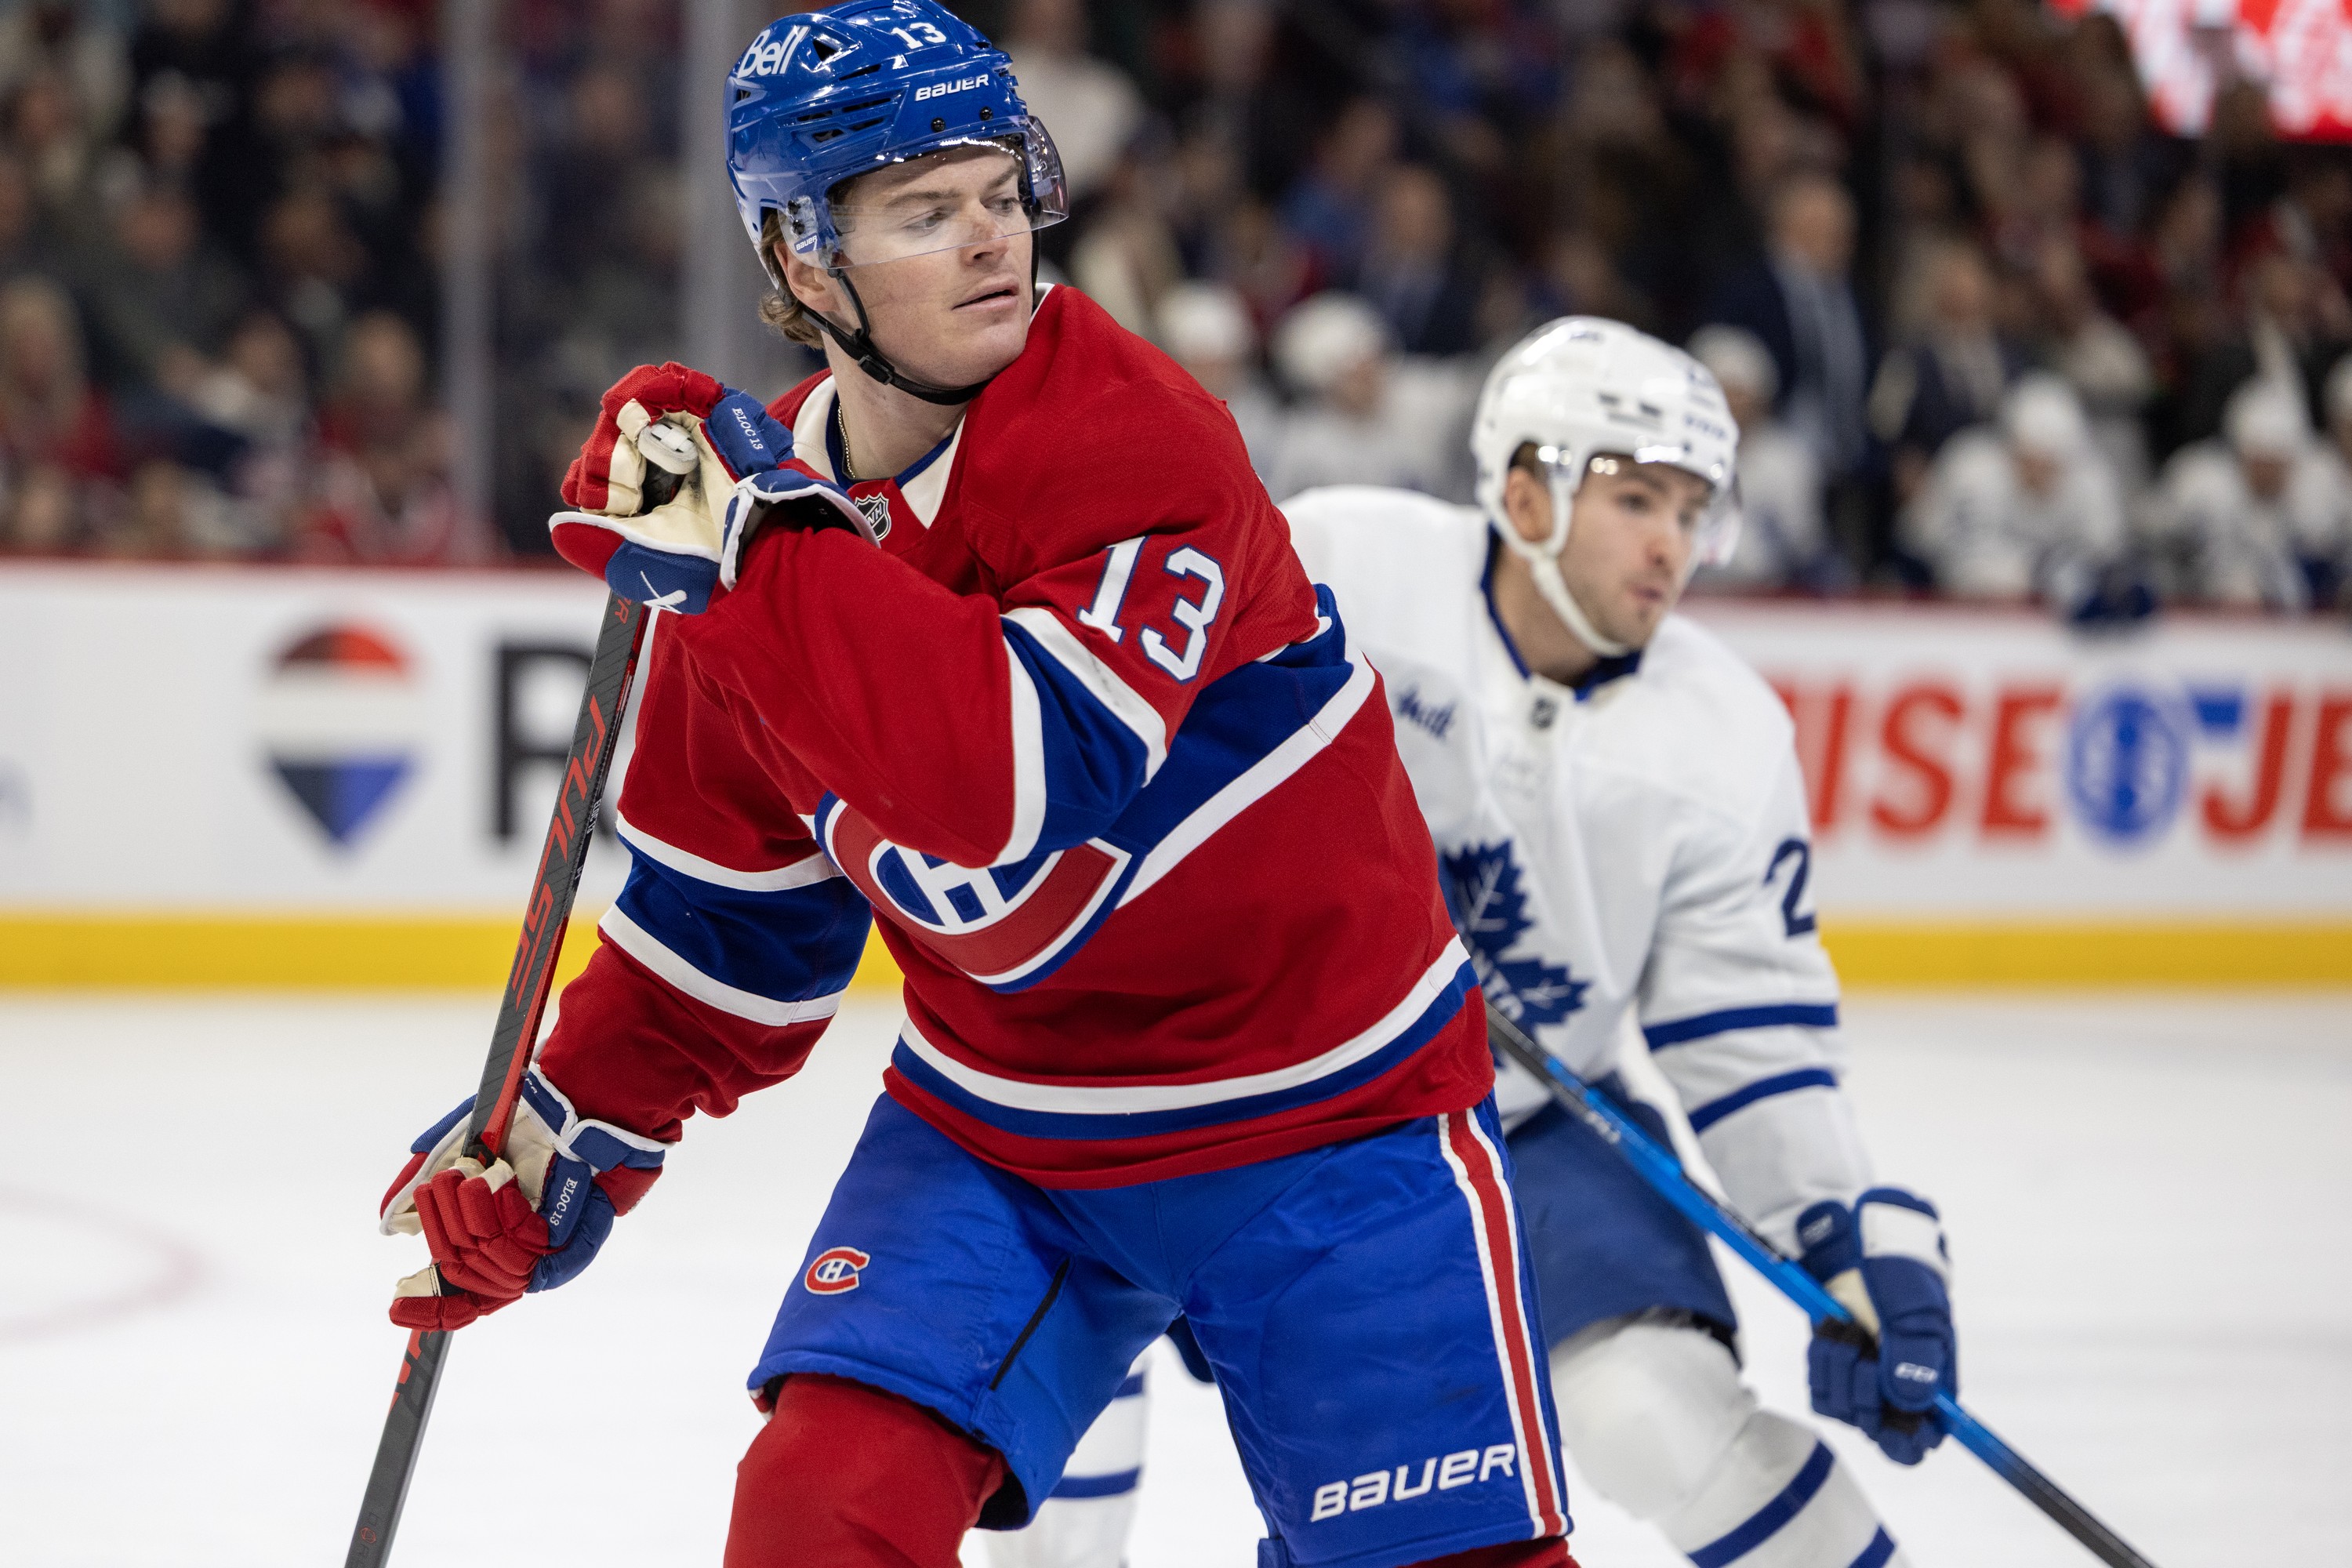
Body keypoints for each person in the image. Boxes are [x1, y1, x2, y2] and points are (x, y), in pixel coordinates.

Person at [375, 7, 1574, 1567]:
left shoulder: (1135, 436)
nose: (994, 240)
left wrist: (751, 550)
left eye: (1003, 194)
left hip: (1331, 1120)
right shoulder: (758, 532)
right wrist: (563, 1128)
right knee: (817, 1518)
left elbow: (1007, 787)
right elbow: (732, 932)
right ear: (802, 261)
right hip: (1007, 1139)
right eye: (926, 211)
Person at [1011, 319, 1960, 1568]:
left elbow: (1751, 1032)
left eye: (1693, 511)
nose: (1671, 545)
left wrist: (1842, 1231)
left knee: (1654, 1411)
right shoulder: (1339, 559)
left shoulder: (1726, 734)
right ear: (1525, 493)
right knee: (1056, 1344)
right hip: (1222, 1089)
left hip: (1518, 1124)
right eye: (1637, 500)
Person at [1897, 372, 2129, 610]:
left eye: (2052, 464)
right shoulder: (1973, 472)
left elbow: (2107, 553)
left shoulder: (2091, 481)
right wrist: (2040, 572)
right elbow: (1961, 568)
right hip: (1933, 582)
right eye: (2032, 460)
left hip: (2041, 597)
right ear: (2012, 448)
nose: (2041, 472)